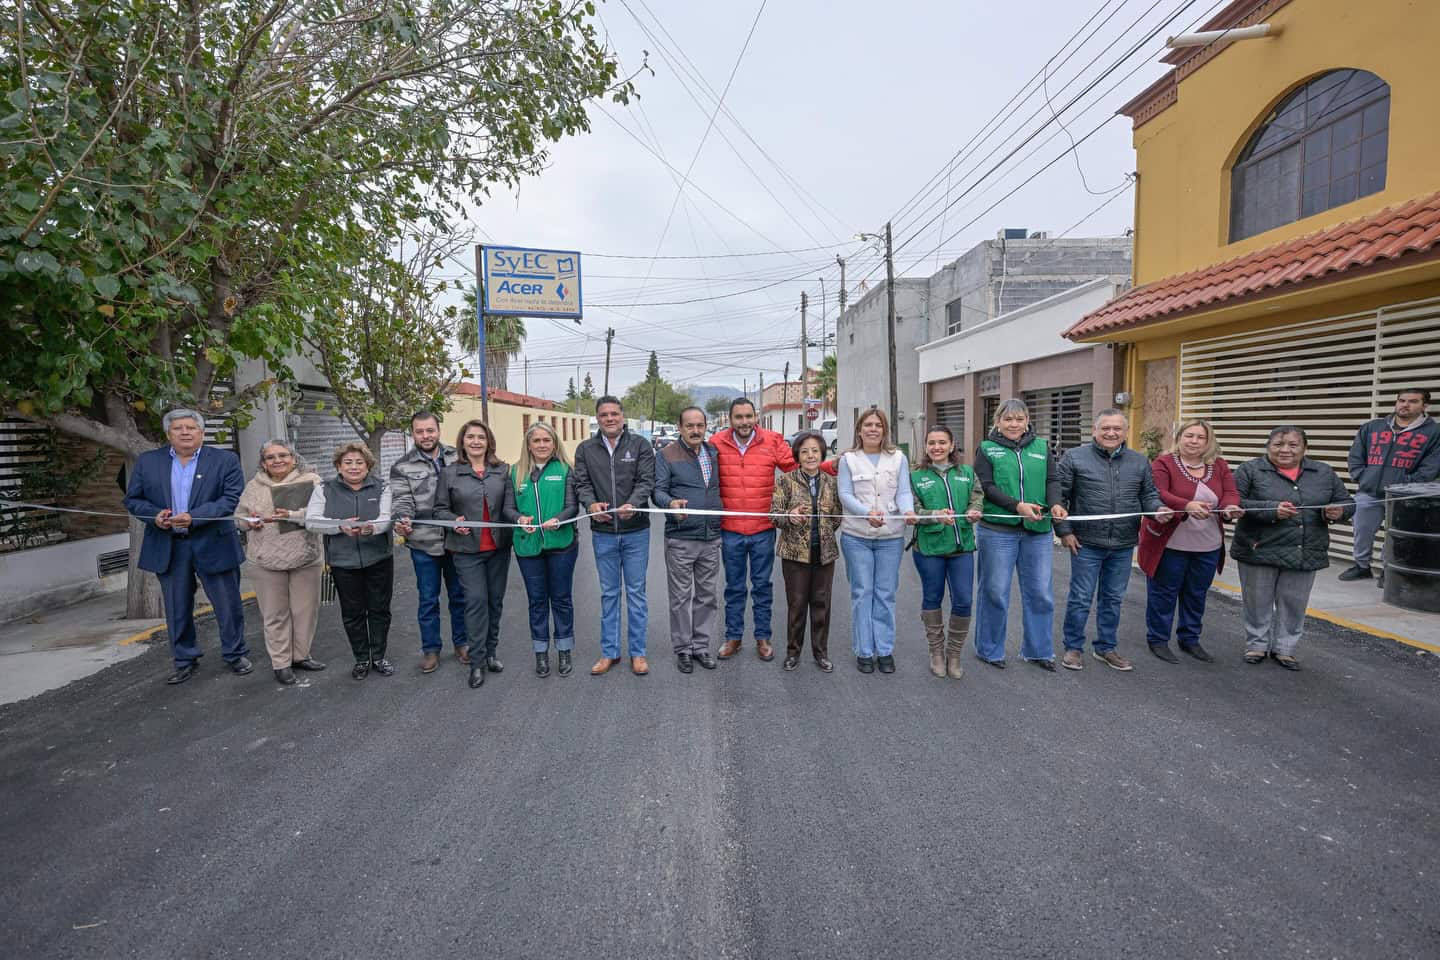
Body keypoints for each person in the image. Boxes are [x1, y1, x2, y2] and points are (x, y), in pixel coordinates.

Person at [124, 409, 251, 685]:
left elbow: (230, 498)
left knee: (227, 605)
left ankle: (235, 653)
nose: (185, 432)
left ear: (201, 433)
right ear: (168, 434)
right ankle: (184, 659)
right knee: (177, 606)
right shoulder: (148, 462)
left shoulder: (225, 460)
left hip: (213, 542)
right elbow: (134, 500)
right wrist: (154, 516)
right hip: (169, 545)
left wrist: (196, 517)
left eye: (191, 427)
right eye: (178, 428)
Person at [1054, 410, 1171, 673]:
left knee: (1113, 598)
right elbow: (1059, 497)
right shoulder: (1075, 457)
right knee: (1081, 597)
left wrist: (1158, 510)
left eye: (1117, 428)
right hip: (1085, 541)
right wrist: (1064, 531)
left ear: (1126, 431)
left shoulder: (1139, 462)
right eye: (1105, 428)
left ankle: (1105, 647)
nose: (1111, 433)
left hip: (1123, 542)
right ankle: (1073, 647)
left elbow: (1149, 495)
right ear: (1094, 431)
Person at [1233, 426, 1353, 670]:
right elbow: (1233, 501)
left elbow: (1346, 501)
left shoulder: (1323, 472)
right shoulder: (1250, 470)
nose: (1285, 449)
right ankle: (1256, 644)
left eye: (1293, 444)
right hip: (1259, 546)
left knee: (1294, 602)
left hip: (1305, 548)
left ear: (1305, 448)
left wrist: (1339, 511)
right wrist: (1270, 509)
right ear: (1268, 447)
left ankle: (1285, 648)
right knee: (1257, 599)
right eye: (1278, 444)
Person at [973, 399, 1069, 672]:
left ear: (1027, 421)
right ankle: (989, 649)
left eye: (1019, 419)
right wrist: (1017, 507)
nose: (1014, 424)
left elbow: (1053, 480)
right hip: (997, 530)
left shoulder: (1041, 447)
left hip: (1037, 531)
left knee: (1040, 593)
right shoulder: (987, 448)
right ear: (998, 422)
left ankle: (1038, 650)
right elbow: (987, 487)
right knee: (995, 592)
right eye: (1008, 419)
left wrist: (1056, 504)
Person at [1137, 419, 1242, 664]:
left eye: (1200, 437)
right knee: (1164, 594)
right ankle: (1158, 640)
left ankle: (1189, 639)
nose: (1194, 441)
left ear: (1208, 441)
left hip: (1207, 545)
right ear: (1179, 438)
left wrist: (1229, 507)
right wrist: (1186, 505)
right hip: (1171, 543)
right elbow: (1158, 492)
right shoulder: (1164, 463)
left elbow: (1230, 492)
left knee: (1196, 594)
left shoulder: (1219, 466)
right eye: (1189, 436)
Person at [573, 396, 655, 677]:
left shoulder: (641, 446)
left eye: (615, 414)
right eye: (604, 414)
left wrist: (633, 503)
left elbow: (646, 481)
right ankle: (609, 652)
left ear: (623, 417)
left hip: (636, 532)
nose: (610, 418)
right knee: (609, 594)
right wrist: (590, 505)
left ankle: (638, 653)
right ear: (597, 418)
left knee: (636, 594)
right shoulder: (585, 449)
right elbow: (581, 484)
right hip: (604, 533)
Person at [711, 396, 796, 662]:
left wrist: (834, 466)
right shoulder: (716, 443)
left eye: (749, 416)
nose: (744, 422)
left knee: (762, 586)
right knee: (734, 587)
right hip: (730, 530)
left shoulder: (772, 440)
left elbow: (797, 467)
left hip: (762, 529)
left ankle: (763, 637)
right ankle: (733, 637)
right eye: (739, 417)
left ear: (755, 417)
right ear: (730, 419)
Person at [434, 419, 513, 689]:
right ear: (462, 442)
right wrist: (453, 520)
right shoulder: (450, 473)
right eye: (470, 437)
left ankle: (491, 652)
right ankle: (477, 662)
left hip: (499, 549)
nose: (476, 441)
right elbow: (439, 510)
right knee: (476, 601)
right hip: (466, 551)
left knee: (495, 602)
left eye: (481, 437)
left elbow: (510, 507)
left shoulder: (503, 471)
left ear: (489, 441)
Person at [238, 440, 325, 685]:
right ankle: (281, 663)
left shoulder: (312, 481)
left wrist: (293, 515)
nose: (277, 460)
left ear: (293, 458)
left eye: (282, 455)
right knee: (275, 614)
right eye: (270, 457)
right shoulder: (253, 486)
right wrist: (248, 521)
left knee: (305, 611)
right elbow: (238, 517)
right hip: (265, 560)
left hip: (305, 557)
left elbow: (322, 514)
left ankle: (300, 655)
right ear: (263, 463)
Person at [305, 441, 394, 680]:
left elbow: (386, 518)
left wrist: (371, 528)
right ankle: (362, 659)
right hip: (343, 562)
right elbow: (311, 520)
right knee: (352, 613)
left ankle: (379, 656)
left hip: (378, 558)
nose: (354, 467)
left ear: (368, 465)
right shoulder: (324, 488)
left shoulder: (382, 487)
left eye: (359, 462)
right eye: (348, 462)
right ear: (338, 466)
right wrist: (338, 526)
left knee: (379, 609)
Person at [838, 408, 917, 674]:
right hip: (856, 537)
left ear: (884, 430)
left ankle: (884, 649)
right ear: (859, 430)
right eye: (868, 425)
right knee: (862, 592)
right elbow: (845, 494)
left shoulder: (898, 459)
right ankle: (864, 650)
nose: (873, 429)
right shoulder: (848, 459)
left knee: (885, 594)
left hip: (891, 537)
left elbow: (904, 491)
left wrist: (908, 511)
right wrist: (865, 513)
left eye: (878, 425)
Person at [391, 410, 468, 674]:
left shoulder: (458, 456)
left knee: (460, 596)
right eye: (419, 431)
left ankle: (462, 644)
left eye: (430, 430)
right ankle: (431, 650)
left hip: (458, 541)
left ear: (438, 430)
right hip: (423, 543)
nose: (426, 436)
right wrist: (402, 519)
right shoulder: (402, 466)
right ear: (412, 433)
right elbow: (402, 500)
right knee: (428, 599)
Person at [502, 421, 580, 679]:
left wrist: (558, 519)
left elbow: (572, 506)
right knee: (537, 601)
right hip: (528, 547)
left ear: (554, 443)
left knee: (561, 598)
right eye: (537, 441)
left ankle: (565, 649)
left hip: (561, 545)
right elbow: (508, 509)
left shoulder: (566, 470)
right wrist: (519, 519)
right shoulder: (514, 473)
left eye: (547, 440)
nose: (542, 445)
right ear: (529, 444)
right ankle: (541, 652)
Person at [1342, 388, 1439, 584]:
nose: (1405, 404)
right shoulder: (1373, 426)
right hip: (1369, 491)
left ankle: (1390, 572)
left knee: (1396, 536)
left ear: (1424, 406)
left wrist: (1407, 485)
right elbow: (1355, 456)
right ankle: (1362, 567)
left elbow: (1432, 466)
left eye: (1413, 401)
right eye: (1401, 400)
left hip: (1404, 496)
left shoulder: (1434, 432)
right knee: (1361, 530)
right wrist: (1362, 476)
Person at [653, 407, 723, 674]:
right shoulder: (666, 455)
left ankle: (701, 647)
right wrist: (670, 503)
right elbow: (657, 491)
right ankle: (683, 649)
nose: (695, 430)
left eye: (700, 425)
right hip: (681, 538)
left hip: (711, 537)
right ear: (679, 427)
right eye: (690, 426)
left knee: (707, 596)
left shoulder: (714, 453)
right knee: (681, 598)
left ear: (706, 427)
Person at [909, 425, 983, 679]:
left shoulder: (968, 473)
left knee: (963, 599)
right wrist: (934, 516)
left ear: (952, 445)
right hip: (929, 548)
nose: (937, 447)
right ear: (926, 447)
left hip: (962, 546)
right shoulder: (916, 476)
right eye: (932, 443)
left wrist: (974, 510)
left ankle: (954, 655)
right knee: (933, 597)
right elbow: (912, 510)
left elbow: (977, 497)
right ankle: (936, 653)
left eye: (942, 442)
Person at [771, 430, 843, 673]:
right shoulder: (785, 481)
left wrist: (822, 532)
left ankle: (821, 653)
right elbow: (774, 515)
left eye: (814, 451)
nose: (810, 455)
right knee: (797, 604)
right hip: (794, 554)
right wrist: (789, 517)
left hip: (824, 553)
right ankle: (793, 652)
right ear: (797, 456)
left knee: (822, 603)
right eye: (804, 451)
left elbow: (836, 517)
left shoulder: (831, 482)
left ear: (822, 453)